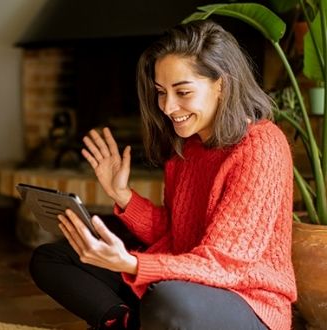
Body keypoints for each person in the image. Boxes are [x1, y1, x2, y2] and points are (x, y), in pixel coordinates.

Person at [29, 19, 297, 330]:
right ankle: (125, 323)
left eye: (182, 91)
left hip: (248, 302)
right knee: (52, 258)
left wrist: (132, 264)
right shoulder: (186, 146)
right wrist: (123, 195)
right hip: (188, 277)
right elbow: (174, 233)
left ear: (221, 84)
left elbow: (224, 264)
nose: (168, 107)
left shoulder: (261, 145)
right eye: (161, 92)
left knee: (166, 301)